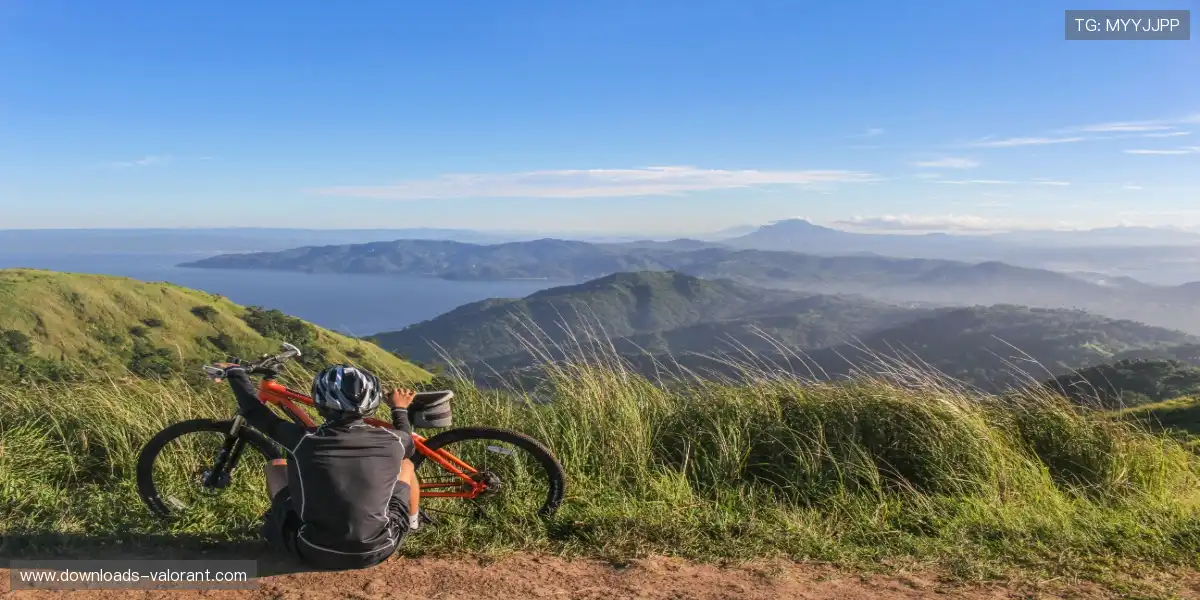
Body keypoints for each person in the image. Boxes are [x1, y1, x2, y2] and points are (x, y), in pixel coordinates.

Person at [213, 362, 421, 570]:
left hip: (314, 550)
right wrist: (399, 409)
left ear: (319, 402)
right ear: (372, 402)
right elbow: (408, 441)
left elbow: (254, 410)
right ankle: (413, 524)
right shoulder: (396, 440)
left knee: (276, 467)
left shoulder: (302, 439)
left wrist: (235, 372)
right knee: (406, 464)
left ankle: (280, 525)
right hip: (379, 549)